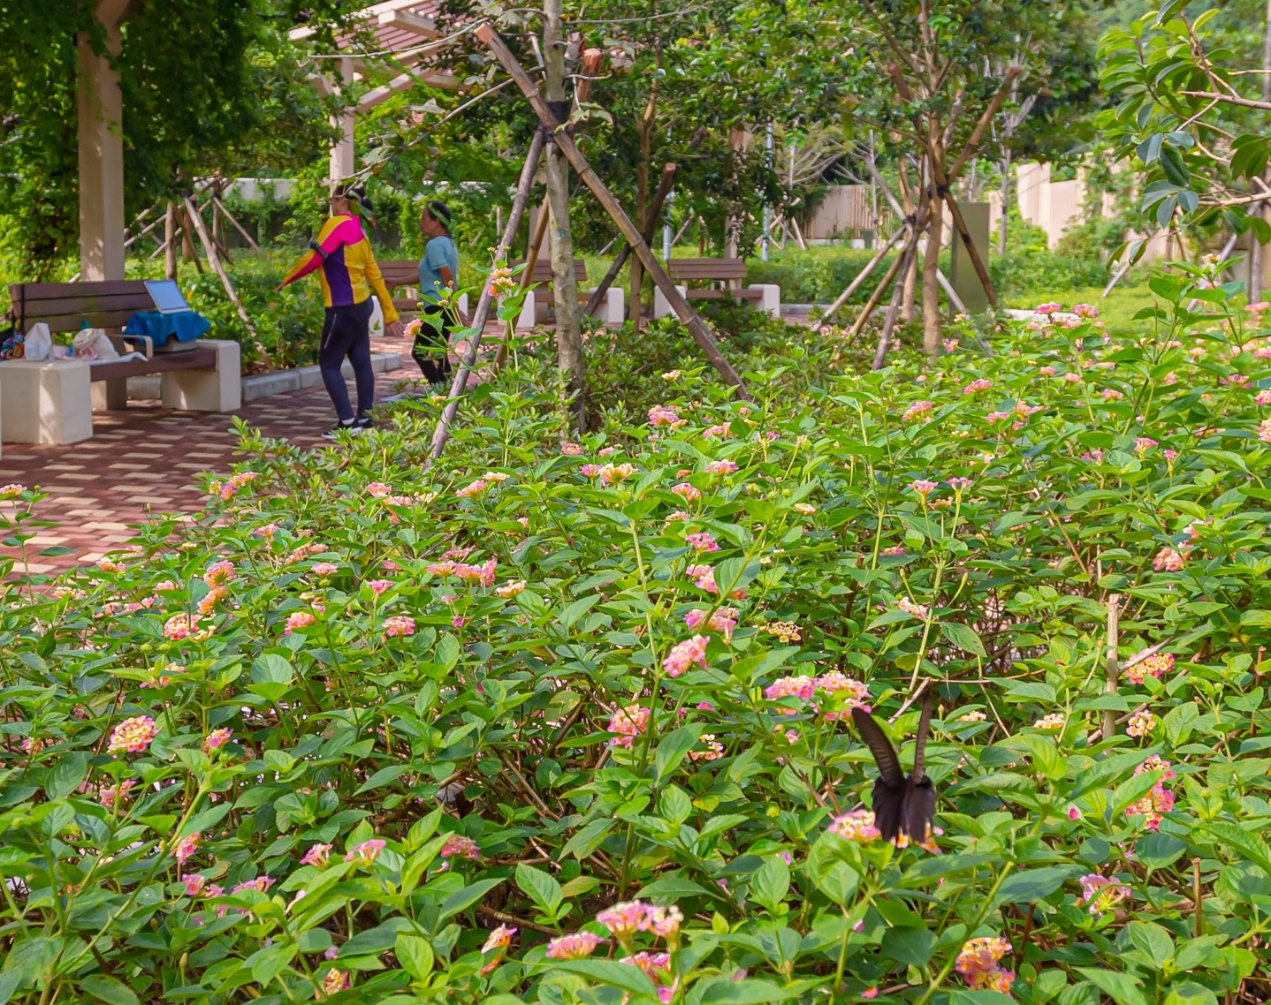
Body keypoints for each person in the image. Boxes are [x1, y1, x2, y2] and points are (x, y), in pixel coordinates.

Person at [277, 183, 403, 438]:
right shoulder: (359, 230)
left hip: (342, 308)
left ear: (342, 201)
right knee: (361, 362)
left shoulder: (336, 225)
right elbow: (375, 276)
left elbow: (314, 258)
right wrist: (390, 314)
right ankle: (365, 420)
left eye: (332, 200)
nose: (330, 205)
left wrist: (286, 280)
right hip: (362, 305)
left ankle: (347, 423)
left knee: (329, 363)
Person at [414, 199, 461, 389]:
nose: (420, 222)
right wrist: (397, 282)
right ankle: (450, 392)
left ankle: (439, 391)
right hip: (445, 307)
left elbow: (446, 275)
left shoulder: (433, 246)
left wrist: (453, 304)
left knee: (420, 352)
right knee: (440, 353)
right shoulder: (448, 243)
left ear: (436, 222)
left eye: (423, 218)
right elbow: (433, 273)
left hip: (437, 307)